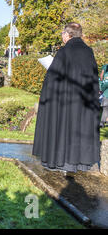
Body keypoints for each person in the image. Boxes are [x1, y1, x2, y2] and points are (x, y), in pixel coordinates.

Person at [33, 23, 101, 173]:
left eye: (63, 33)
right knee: (80, 127)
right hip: (84, 101)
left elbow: (52, 80)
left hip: (64, 101)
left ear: (68, 35)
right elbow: (93, 78)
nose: (62, 36)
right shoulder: (88, 52)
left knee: (63, 127)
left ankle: (60, 162)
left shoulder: (64, 51)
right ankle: (81, 163)